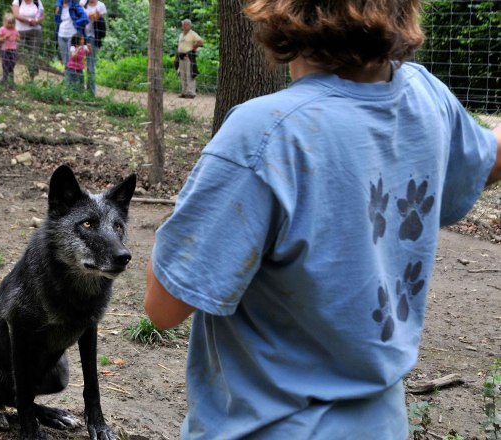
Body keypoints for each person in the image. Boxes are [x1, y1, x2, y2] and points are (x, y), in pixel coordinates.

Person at [144, 0, 501, 439]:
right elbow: (486, 158)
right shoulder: (425, 97)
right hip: (381, 423)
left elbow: (164, 307)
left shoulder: (266, 132)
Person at [11, 0, 44, 81]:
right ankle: (9, 76)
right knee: (13, 52)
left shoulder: (37, 2)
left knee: (33, 56)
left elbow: (42, 16)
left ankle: (31, 79)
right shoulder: (17, 1)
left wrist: (36, 21)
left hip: (35, 32)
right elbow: (16, 15)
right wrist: (29, 20)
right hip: (20, 32)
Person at [80, 0, 105, 96]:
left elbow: (101, 24)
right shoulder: (82, 3)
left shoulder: (101, 6)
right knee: (78, 63)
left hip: (93, 38)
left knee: (90, 66)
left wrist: (97, 17)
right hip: (81, 36)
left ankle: (91, 92)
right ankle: (78, 88)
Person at [53, 0, 87, 67]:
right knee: (65, 61)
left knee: (71, 60)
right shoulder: (59, 6)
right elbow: (57, 21)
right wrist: (56, 13)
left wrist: (75, 23)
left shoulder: (75, 5)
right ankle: (67, 76)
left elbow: (85, 18)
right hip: (61, 35)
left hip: (72, 35)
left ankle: (74, 76)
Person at [175, 19, 202, 99]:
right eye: (183, 24)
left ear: (190, 25)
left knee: (189, 73)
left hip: (188, 56)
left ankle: (191, 92)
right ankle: (184, 92)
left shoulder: (193, 34)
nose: (184, 26)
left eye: (186, 24)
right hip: (180, 56)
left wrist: (193, 48)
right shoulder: (181, 34)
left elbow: (200, 42)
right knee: (182, 74)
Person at [0, 12, 19, 89]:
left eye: (12, 23)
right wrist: (4, 38)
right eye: (8, 23)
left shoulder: (15, 30)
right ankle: (5, 81)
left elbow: (18, 38)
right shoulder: (2, 29)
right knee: (5, 65)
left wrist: (17, 39)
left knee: (12, 65)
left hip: (13, 50)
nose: (10, 25)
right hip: (5, 50)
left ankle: (11, 82)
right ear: (4, 22)